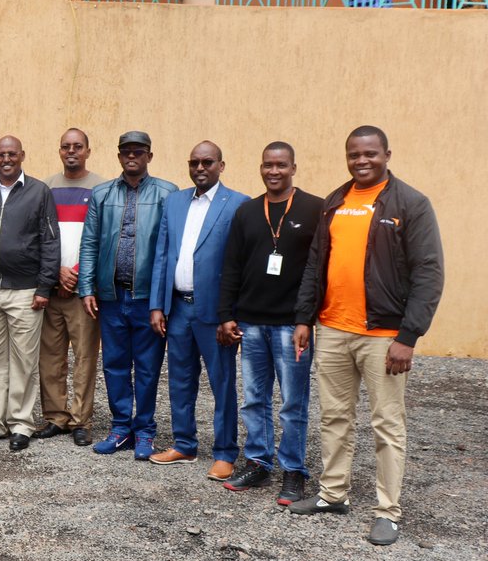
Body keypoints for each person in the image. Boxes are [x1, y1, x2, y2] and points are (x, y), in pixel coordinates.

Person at [289, 125, 443, 547]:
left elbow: (429, 274)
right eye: (354, 154)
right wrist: (305, 318)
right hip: (334, 328)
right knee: (334, 417)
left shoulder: (410, 204)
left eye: (370, 154)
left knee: (387, 424)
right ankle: (332, 494)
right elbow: (316, 262)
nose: (361, 160)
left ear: (387, 155)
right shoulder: (335, 201)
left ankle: (387, 511)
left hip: (384, 335)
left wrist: (408, 336)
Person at [217, 142, 323, 504]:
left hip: (290, 325)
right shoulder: (247, 211)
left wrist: (306, 319)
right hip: (251, 322)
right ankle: (259, 462)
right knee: (254, 399)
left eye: (281, 165)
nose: (273, 172)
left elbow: (317, 269)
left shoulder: (313, 209)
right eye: (267, 166)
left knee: (293, 401)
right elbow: (231, 266)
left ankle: (293, 470)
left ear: (293, 167)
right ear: (261, 168)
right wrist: (227, 314)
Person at [148, 142, 249, 481]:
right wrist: (158, 305)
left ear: (222, 165)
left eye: (207, 162)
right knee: (179, 380)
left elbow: (240, 265)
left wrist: (230, 314)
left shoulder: (237, 204)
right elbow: (163, 254)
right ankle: (185, 443)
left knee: (222, 383)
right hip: (178, 308)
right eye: (194, 162)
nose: (200, 168)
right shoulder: (175, 201)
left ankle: (224, 452)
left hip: (215, 313)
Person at [77, 131, 177, 460]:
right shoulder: (102, 194)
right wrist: (88, 287)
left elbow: (169, 250)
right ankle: (121, 428)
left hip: (147, 299)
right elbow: (89, 243)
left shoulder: (167, 194)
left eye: (138, 151)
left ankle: (145, 431)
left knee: (148, 367)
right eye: (125, 152)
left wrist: (162, 300)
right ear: (119, 156)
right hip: (111, 296)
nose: (131, 156)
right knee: (115, 364)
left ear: (149, 155)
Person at [0, 136, 60, 452]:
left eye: (12, 154)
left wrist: (44, 286)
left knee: (23, 359)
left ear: (22, 156)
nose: (6, 159)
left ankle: (21, 423)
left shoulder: (38, 192)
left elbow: (49, 242)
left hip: (26, 290)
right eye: (1, 154)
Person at [35, 129, 107, 446]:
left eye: (78, 146)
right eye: (66, 146)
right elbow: (38, 238)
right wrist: (56, 273)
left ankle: (81, 420)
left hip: (84, 289)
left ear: (88, 151)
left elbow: (104, 240)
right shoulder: (46, 188)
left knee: (85, 358)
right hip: (51, 286)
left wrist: (77, 273)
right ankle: (55, 417)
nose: (72, 151)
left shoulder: (102, 188)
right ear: (59, 150)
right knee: (50, 358)